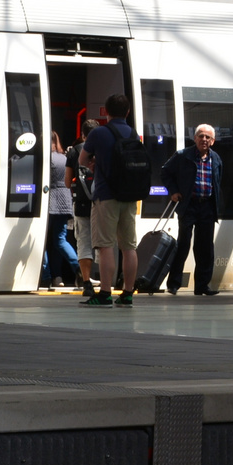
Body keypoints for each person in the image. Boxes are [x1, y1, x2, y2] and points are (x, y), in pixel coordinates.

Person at [80, 97, 139, 307]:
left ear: (106, 112)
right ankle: (128, 293)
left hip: (106, 196)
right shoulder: (132, 133)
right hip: (129, 196)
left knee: (105, 247)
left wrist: (95, 164)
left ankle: (105, 293)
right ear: (128, 111)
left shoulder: (99, 133)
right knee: (129, 247)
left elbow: (82, 159)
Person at [161, 123, 223, 296]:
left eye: (207, 137)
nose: (204, 139)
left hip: (208, 207)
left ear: (213, 141)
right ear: (195, 138)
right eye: (201, 136)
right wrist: (173, 192)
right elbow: (165, 172)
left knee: (205, 248)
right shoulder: (182, 156)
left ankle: (202, 286)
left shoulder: (216, 159)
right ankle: (173, 284)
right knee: (183, 244)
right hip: (188, 205)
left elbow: (217, 183)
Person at [40, 131, 78, 289]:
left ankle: (46, 276)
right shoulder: (64, 158)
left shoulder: (46, 159)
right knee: (60, 240)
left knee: (41, 241)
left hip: (49, 201)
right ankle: (78, 270)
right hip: (65, 201)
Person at [67, 120, 98, 297]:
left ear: (83, 134)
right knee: (104, 244)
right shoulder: (104, 149)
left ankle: (86, 283)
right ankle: (106, 282)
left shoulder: (75, 151)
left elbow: (66, 181)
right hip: (101, 204)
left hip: (82, 204)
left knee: (84, 243)